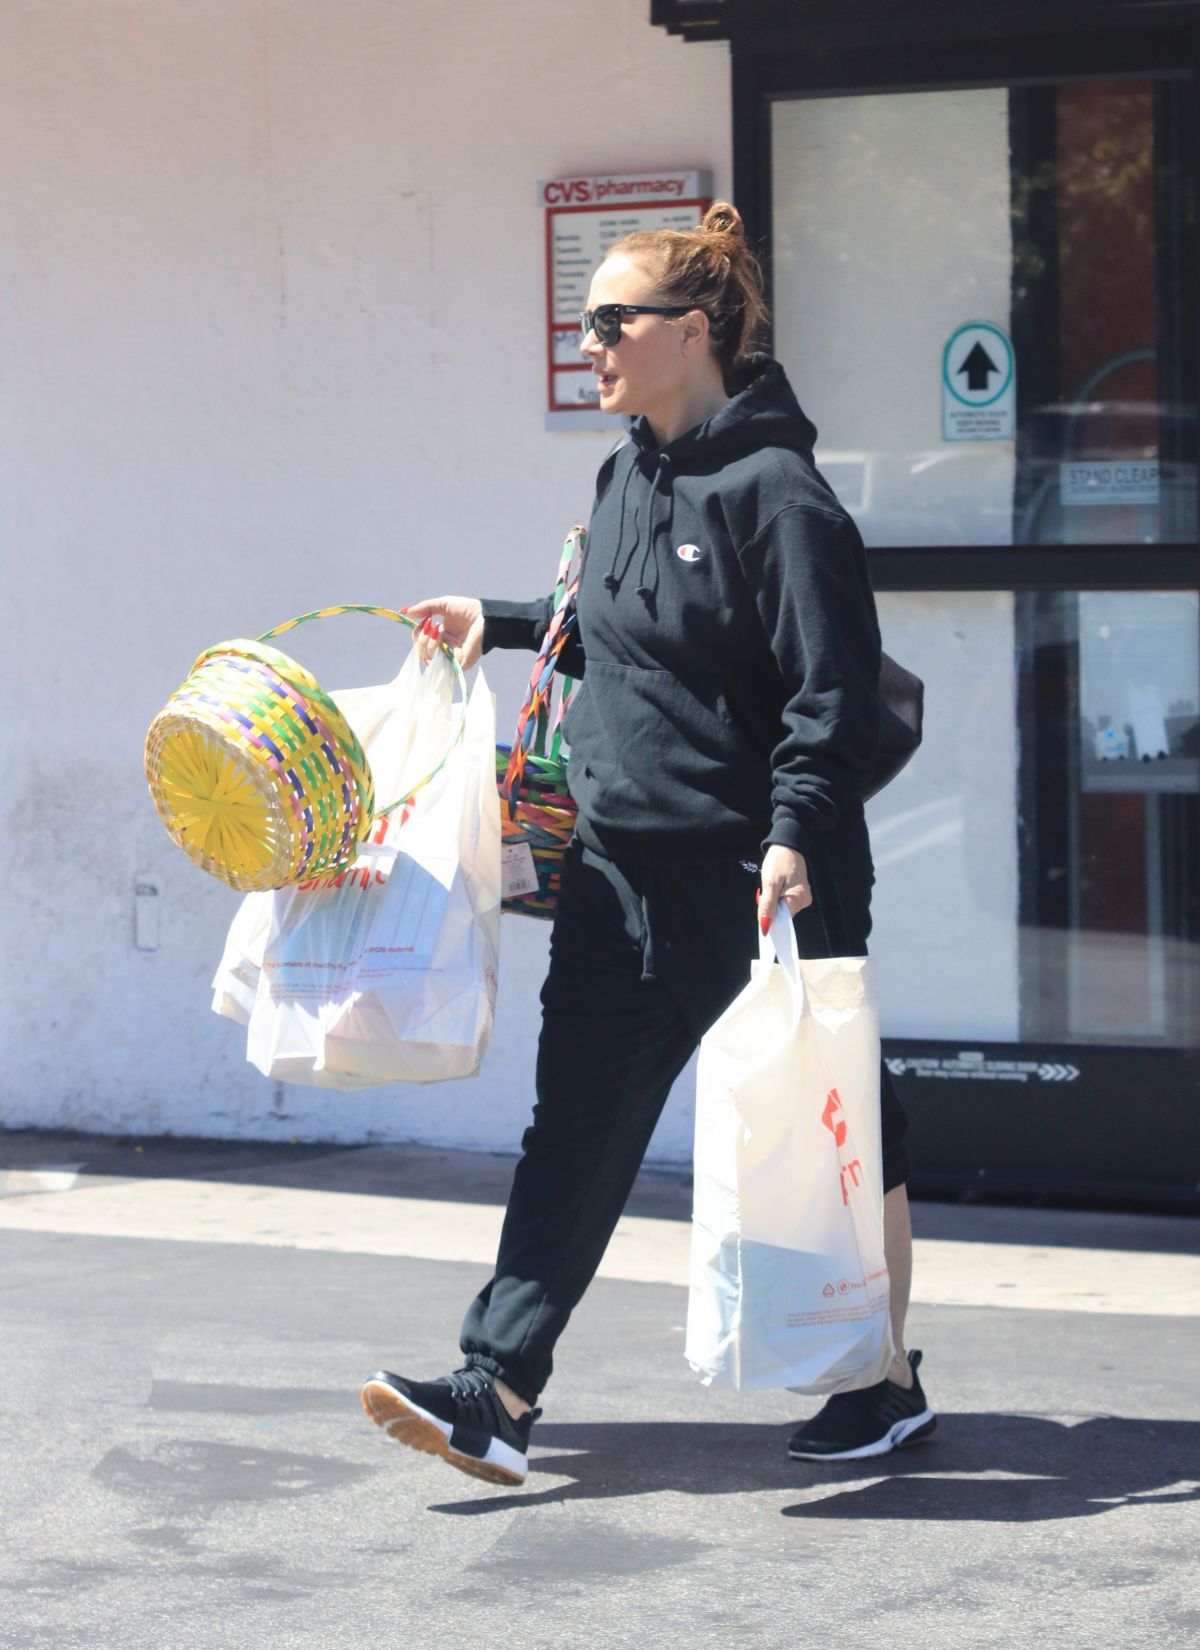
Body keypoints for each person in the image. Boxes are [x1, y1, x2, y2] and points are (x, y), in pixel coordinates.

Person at [360, 202, 936, 1486]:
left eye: (613, 322)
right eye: (587, 324)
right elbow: (619, 630)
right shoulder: (625, 474)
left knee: (844, 1133)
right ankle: (496, 1388)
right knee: (574, 1125)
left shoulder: (777, 494)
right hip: (619, 873)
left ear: (693, 333)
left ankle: (885, 1378)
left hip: (758, 877)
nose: (593, 343)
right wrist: (500, 622)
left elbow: (829, 694)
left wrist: (794, 834)